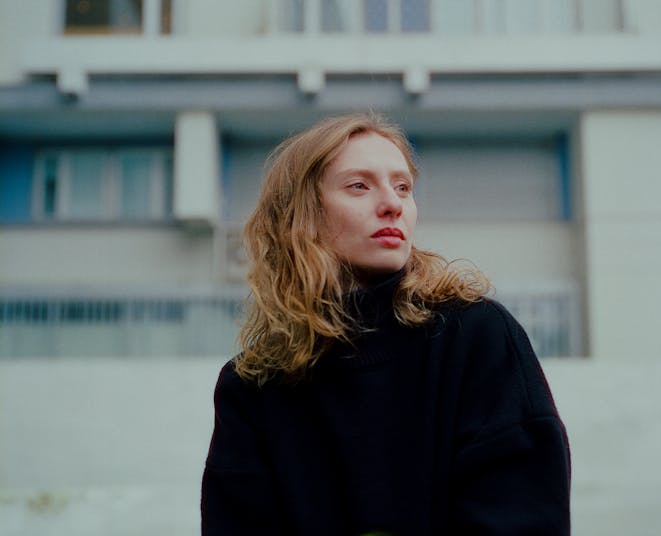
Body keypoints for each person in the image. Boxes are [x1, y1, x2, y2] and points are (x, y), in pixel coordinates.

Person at [201, 112, 571, 535]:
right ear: (300, 213)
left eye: (403, 187)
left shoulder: (477, 336)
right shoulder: (251, 385)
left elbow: (524, 518)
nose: (393, 204)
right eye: (359, 186)